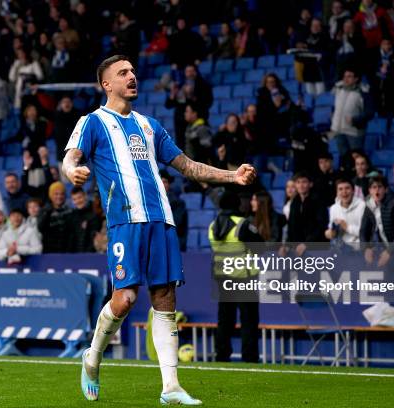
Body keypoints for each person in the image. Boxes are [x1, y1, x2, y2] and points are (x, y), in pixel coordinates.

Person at [63, 55, 256, 405]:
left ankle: (171, 388)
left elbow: (188, 166)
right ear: (107, 84)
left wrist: (232, 176)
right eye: (123, 73)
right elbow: (71, 156)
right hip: (125, 221)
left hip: (162, 221)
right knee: (125, 298)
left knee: (165, 301)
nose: (132, 76)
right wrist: (71, 171)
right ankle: (92, 357)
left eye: (133, 71)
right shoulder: (92, 122)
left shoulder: (150, 125)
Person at [208, 191, 260, 364]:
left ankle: (222, 356)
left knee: (224, 321)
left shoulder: (212, 226)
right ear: (237, 204)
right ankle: (250, 357)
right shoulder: (243, 225)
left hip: (223, 279)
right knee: (249, 321)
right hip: (245, 279)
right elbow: (261, 247)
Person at [360, 175, 394, 266]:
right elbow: (363, 230)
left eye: (380, 187)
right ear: (369, 190)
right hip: (383, 249)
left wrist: (389, 251)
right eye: (374, 187)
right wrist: (366, 248)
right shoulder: (368, 206)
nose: (377, 191)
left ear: (386, 189)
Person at [331, 70, 372, 159]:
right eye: (345, 76)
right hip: (339, 130)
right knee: (344, 158)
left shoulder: (363, 92)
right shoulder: (339, 89)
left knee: (357, 157)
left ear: (356, 79)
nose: (346, 79)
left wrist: (355, 120)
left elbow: (370, 113)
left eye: (349, 76)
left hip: (354, 132)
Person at [325, 178, 366, 248]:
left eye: (347, 188)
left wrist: (347, 227)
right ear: (337, 192)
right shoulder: (333, 208)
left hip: (359, 249)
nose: (344, 192)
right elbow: (331, 229)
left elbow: (365, 233)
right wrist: (330, 233)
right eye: (340, 189)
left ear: (353, 191)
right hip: (340, 248)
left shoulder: (363, 206)